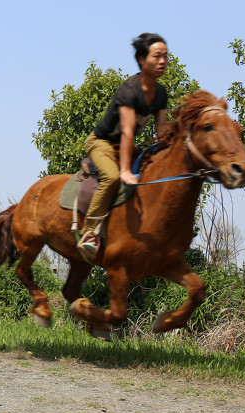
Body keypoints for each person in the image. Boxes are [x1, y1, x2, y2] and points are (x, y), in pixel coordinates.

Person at [78, 33, 169, 259]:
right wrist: (126, 172)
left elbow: (162, 134)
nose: (163, 61)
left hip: (126, 148)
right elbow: (128, 132)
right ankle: (89, 233)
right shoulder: (129, 90)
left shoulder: (161, 93)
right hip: (102, 144)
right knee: (111, 176)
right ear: (141, 59)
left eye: (166, 56)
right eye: (157, 56)